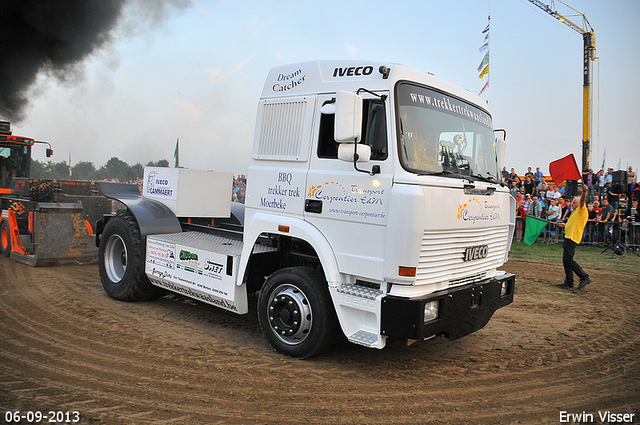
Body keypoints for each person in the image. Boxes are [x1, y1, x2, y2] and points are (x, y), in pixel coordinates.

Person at [557, 184, 591, 290]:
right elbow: (573, 223)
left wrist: (584, 192)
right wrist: (565, 225)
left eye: (574, 203)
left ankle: (584, 277)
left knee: (568, 259)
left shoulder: (582, 209)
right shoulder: (575, 212)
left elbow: (582, 201)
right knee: (566, 260)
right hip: (569, 236)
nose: (572, 204)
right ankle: (569, 281)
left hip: (572, 237)